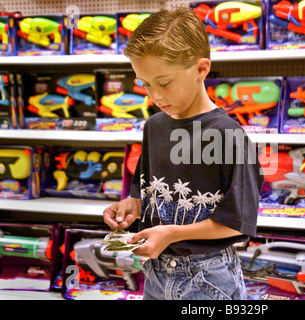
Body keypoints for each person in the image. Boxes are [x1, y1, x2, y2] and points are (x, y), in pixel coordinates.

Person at [103, 5, 264, 300]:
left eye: (164, 83)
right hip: (155, 273)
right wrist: (132, 207)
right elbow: (150, 194)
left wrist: (172, 234)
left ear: (202, 69)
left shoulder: (226, 135)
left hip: (208, 278)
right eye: (146, 84)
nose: (155, 95)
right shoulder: (153, 127)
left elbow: (237, 221)